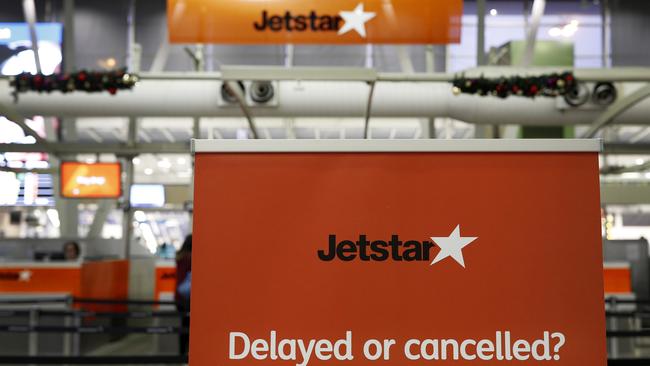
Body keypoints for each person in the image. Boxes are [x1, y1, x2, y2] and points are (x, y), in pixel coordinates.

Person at [175, 235, 192, 355]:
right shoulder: (191, 257)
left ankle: (181, 354)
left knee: (183, 325)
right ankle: (187, 355)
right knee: (189, 327)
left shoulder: (179, 256)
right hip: (188, 297)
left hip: (179, 296)